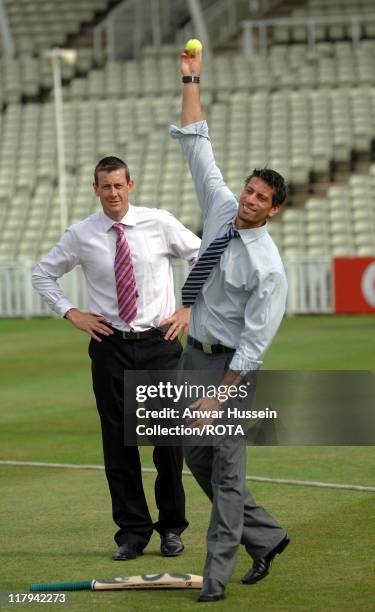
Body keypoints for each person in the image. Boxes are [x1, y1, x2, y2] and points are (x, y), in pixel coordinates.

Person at [32, 156, 201, 561]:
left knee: (167, 443)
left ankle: (172, 529)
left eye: (118, 185)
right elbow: (42, 273)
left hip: (159, 345)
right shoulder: (81, 234)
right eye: (104, 186)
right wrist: (72, 313)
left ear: (131, 185)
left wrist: (189, 308)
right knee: (117, 445)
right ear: (95, 189)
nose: (112, 193)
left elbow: (202, 255)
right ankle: (132, 533)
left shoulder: (159, 222)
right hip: (110, 346)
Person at [169, 48, 290, 602]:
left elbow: (255, 344)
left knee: (226, 473)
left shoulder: (269, 268)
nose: (249, 200)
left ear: (274, 211)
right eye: (249, 190)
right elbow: (196, 139)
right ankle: (265, 536)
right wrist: (190, 77)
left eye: (261, 198)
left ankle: (215, 579)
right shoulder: (221, 207)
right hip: (194, 353)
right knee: (194, 456)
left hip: (231, 373)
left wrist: (221, 396)